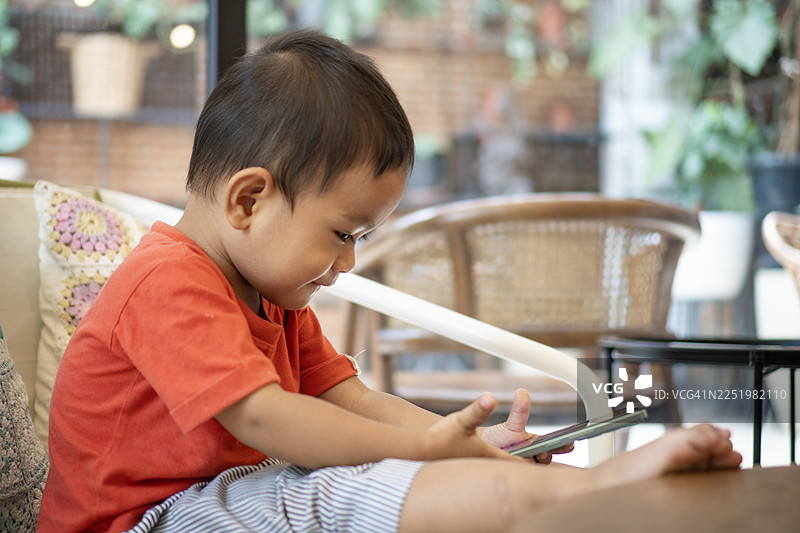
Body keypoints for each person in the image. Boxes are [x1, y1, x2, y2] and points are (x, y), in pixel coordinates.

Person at [37, 29, 742, 533]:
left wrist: (463, 441)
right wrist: (423, 451)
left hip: (221, 496)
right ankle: (598, 497)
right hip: (142, 520)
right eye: (343, 233)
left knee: (386, 476)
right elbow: (266, 418)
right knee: (338, 494)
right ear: (248, 200)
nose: (347, 263)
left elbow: (352, 399)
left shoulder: (272, 295)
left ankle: (589, 490)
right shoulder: (165, 281)